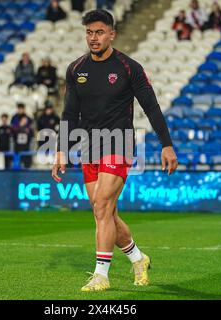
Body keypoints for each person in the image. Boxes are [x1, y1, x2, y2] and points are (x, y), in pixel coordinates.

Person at [51, 10, 178, 292]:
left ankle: (101, 275)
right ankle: (137, 257)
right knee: (103, 211)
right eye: (89, 32)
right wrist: (61, 150)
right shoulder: (76, 69)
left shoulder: (129, 67)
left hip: (119, 143)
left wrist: (166, 144)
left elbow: (151, 107)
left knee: (102, 206)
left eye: (99, 32)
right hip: (88, 145)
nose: (93, 38)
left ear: (112, 34)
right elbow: (70, 113)